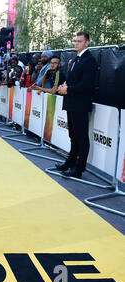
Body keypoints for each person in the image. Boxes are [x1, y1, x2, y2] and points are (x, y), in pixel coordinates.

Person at [56, 31, 98, 179]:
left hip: (80, 104)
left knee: (81, 137)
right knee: (73, 135)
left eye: (79, 41)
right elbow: (72, 81)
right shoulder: (75, 60)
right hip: (71, 103)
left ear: (87, 43)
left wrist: (68, 89)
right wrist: (63, 86)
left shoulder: (89, 60)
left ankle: (79, 169)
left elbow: (88, 84)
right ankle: (70, 163)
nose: (76, 43)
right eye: (75, 41)